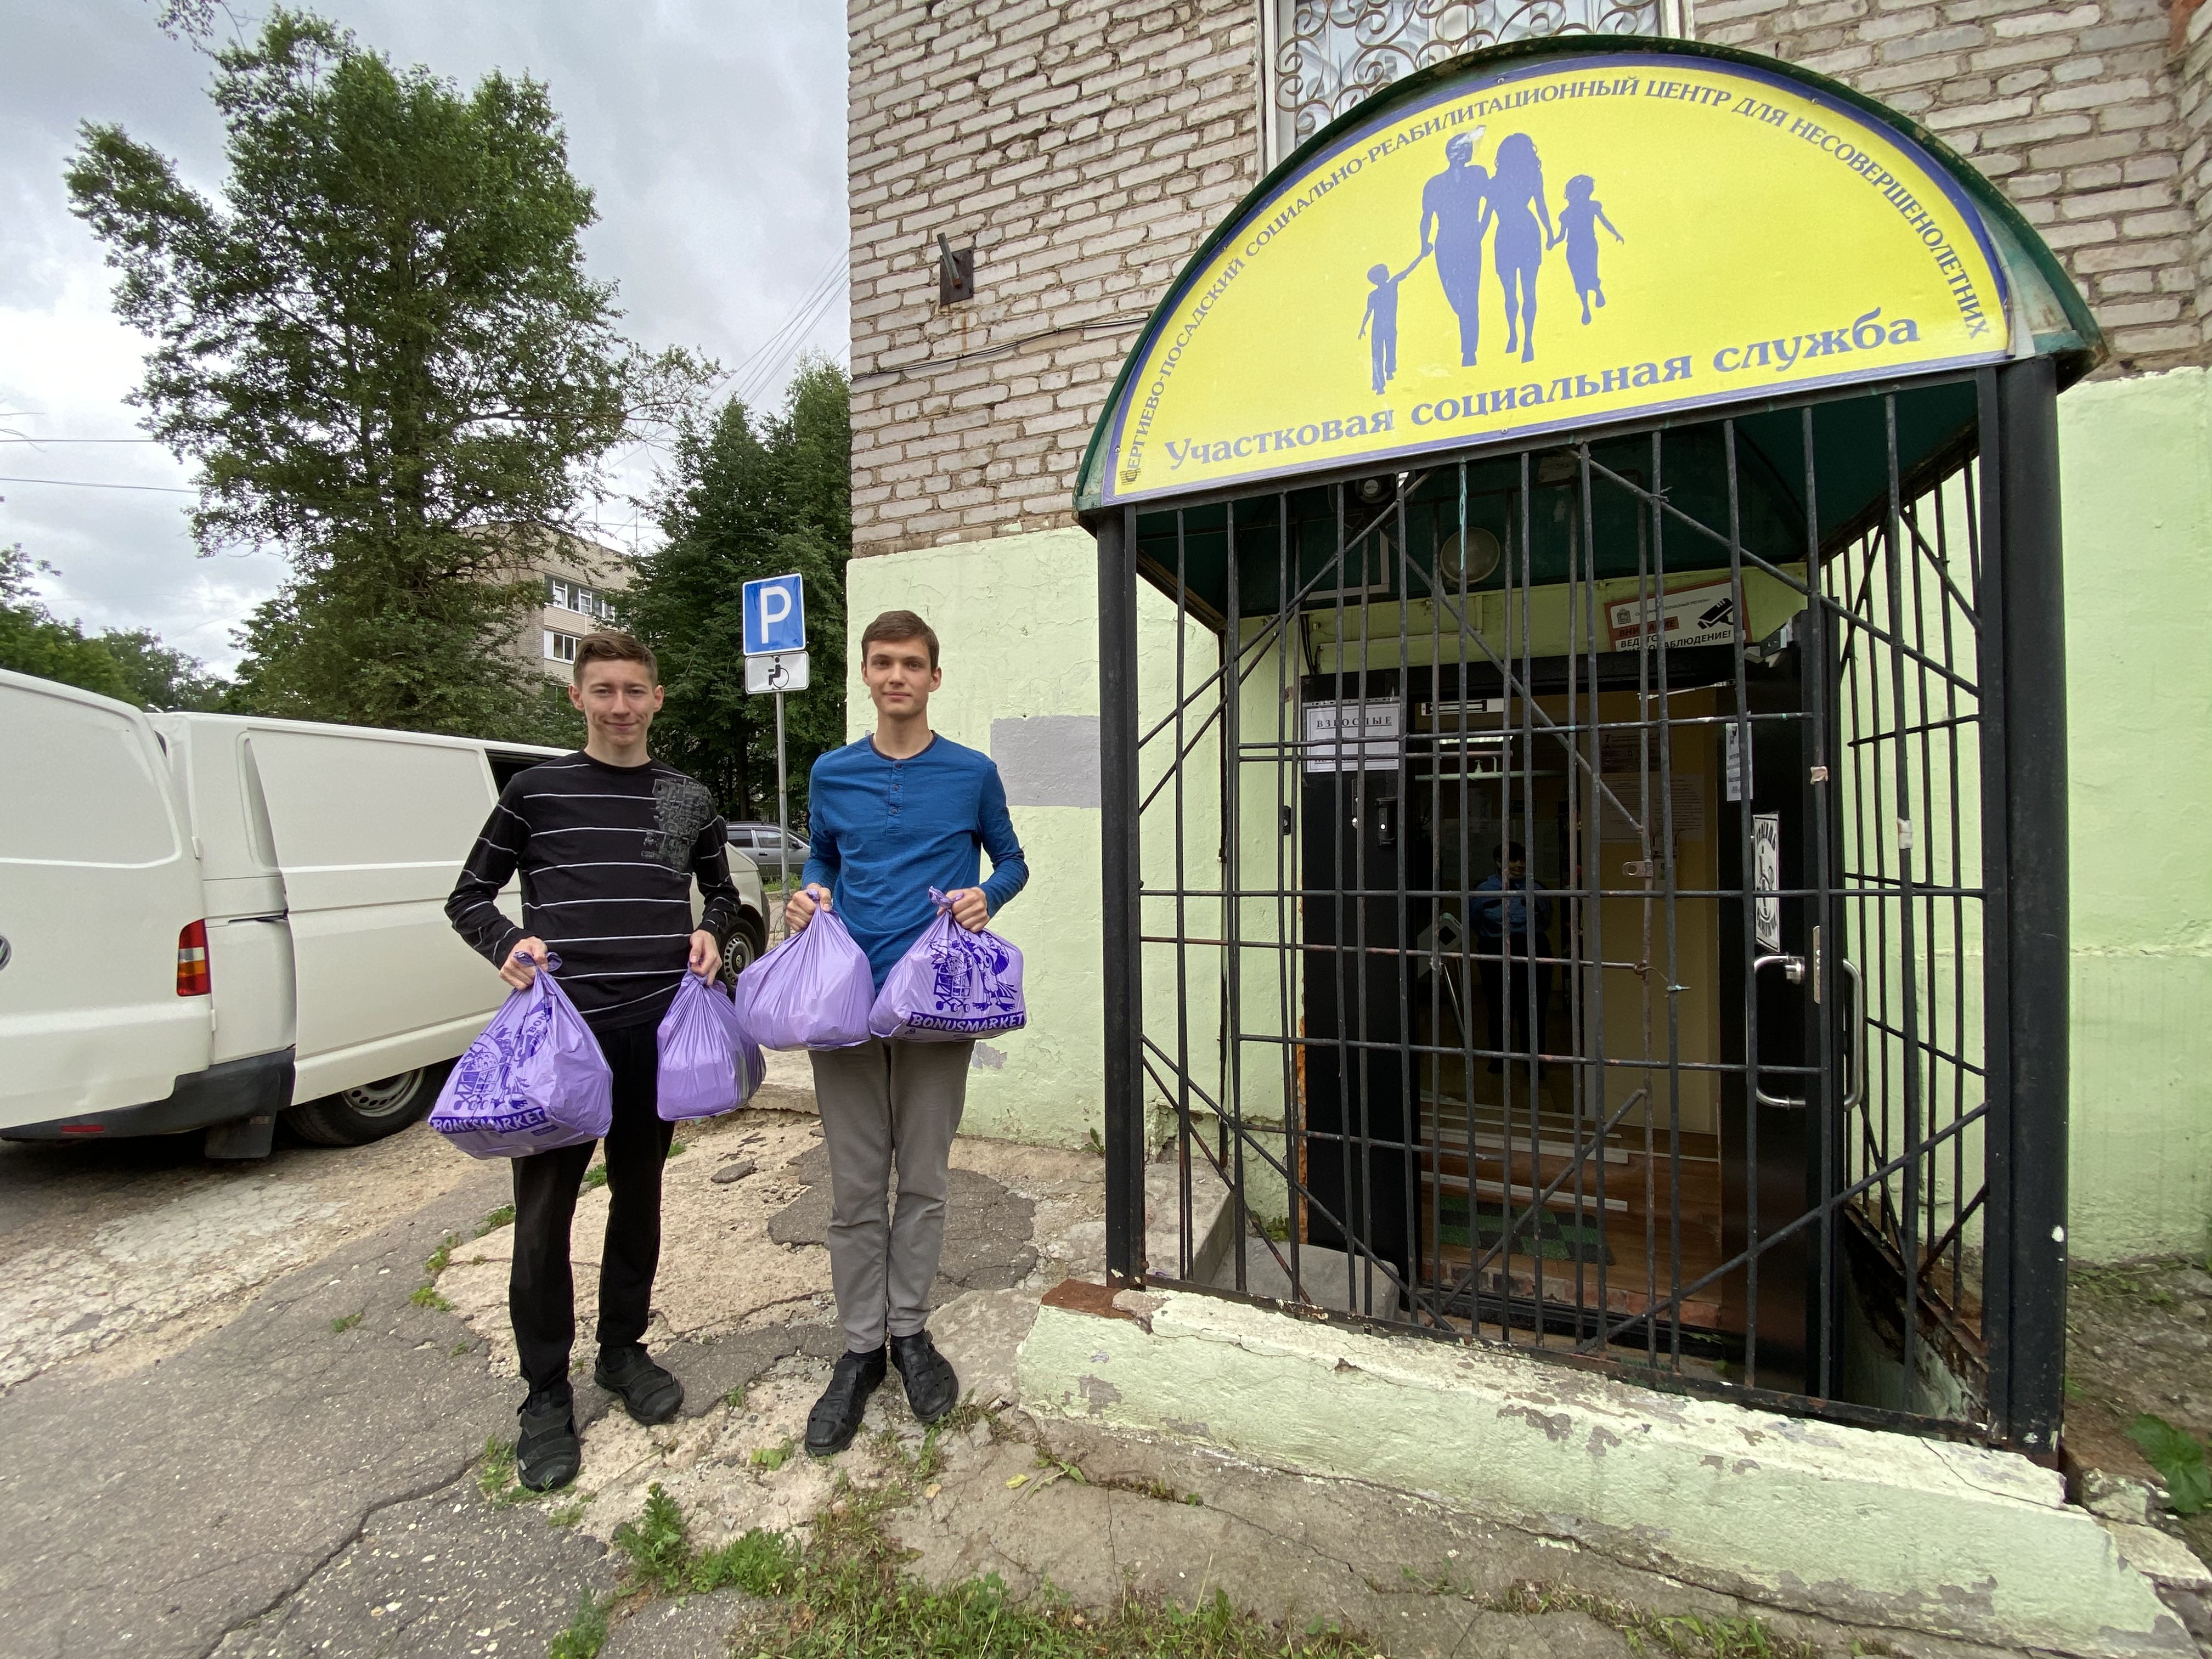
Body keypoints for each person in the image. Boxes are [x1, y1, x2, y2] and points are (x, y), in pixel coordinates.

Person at [445, 631, 736, 1492]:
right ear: (576, 698)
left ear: (657, 698)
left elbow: (722, 889)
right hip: (561, 1044)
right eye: (603, 690)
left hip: (655, 1032)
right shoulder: (535, 792)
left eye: (634, 690)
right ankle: (545, 1394)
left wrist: (711, 929)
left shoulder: (688, 797)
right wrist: (506, 943)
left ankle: (621, 1351)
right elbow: (468, 895)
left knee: (639, 1198)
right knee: (543, 1219)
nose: (620, 706)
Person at [785, 610, 1029, 1456]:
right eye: (883, 662)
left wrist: (987, 896)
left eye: (912, 664)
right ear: (865, 673)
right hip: (847, 1004)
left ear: (934, 677)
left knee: (923, 1181)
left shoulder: (971, 773)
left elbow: (1013, 859)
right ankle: (861, 1350)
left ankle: (912, 1334)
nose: (897, 676)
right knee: (855, 1190)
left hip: (936, 1006)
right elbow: (823, 855)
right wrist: (810, 891)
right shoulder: (832, 772)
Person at [1472, 842, 1552, 1075]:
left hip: (1532, 947)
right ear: (1499, 862)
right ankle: (1500, 1059)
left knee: (1534, 1007)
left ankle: (1534, 1063)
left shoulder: (1537, 889)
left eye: (1522, 859)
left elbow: (1546, 920)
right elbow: (1474, 921)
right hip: (1495, 949)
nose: (1519, 864)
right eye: (1513, 859)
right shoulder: (1484, 890)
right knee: (1499, 1006)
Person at [1418, 130, 1491, 368]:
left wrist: (1482, 228)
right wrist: (1424, 244)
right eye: (1465, 148)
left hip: (1470, 242)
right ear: (1452, 153)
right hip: (1445, 244)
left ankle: (1469, 351)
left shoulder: (1478, 174)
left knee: (1470, 297)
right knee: (1455, 297)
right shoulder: (1435, 184)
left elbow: (1491, 200)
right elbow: (1427, 217)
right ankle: (1466, 326)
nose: (1469, 151)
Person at [1488, 132, 1553, 364]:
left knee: (1519, 293)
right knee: (1523, 292)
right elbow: (1541, 207)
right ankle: (1520, 338)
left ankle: (1523, 339)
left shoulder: (1502, 180)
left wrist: (1551, 232)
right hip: (1519, 233)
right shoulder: (1527, 176)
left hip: (1514, 235)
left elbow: (1541, 205)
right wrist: (1550, 232)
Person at [1549, 174, 1624, 326]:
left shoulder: (1589, 208)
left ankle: (1596, 291)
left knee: (1588, 272)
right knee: (1580, 275)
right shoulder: (1568, 214)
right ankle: (1586, 305)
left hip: (1585, 245)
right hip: (1577, 247)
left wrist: (1616, 233)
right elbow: (1562, 236)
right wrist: (1553, 242)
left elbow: (1605, 222)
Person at [1358, 250, 1428, 394]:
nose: (1389, 273)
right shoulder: (1390, 286)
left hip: (1379, 328)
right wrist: (1421, 256)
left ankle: (1381, 383)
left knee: (1378, 355)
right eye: (1386, 272)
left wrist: (1363, 328)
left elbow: (1368, 313)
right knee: (1386, 351)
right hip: (1386, 326)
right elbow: (1408, 270)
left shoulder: (1377, 293)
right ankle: (1387, 374)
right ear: (1382, 276)